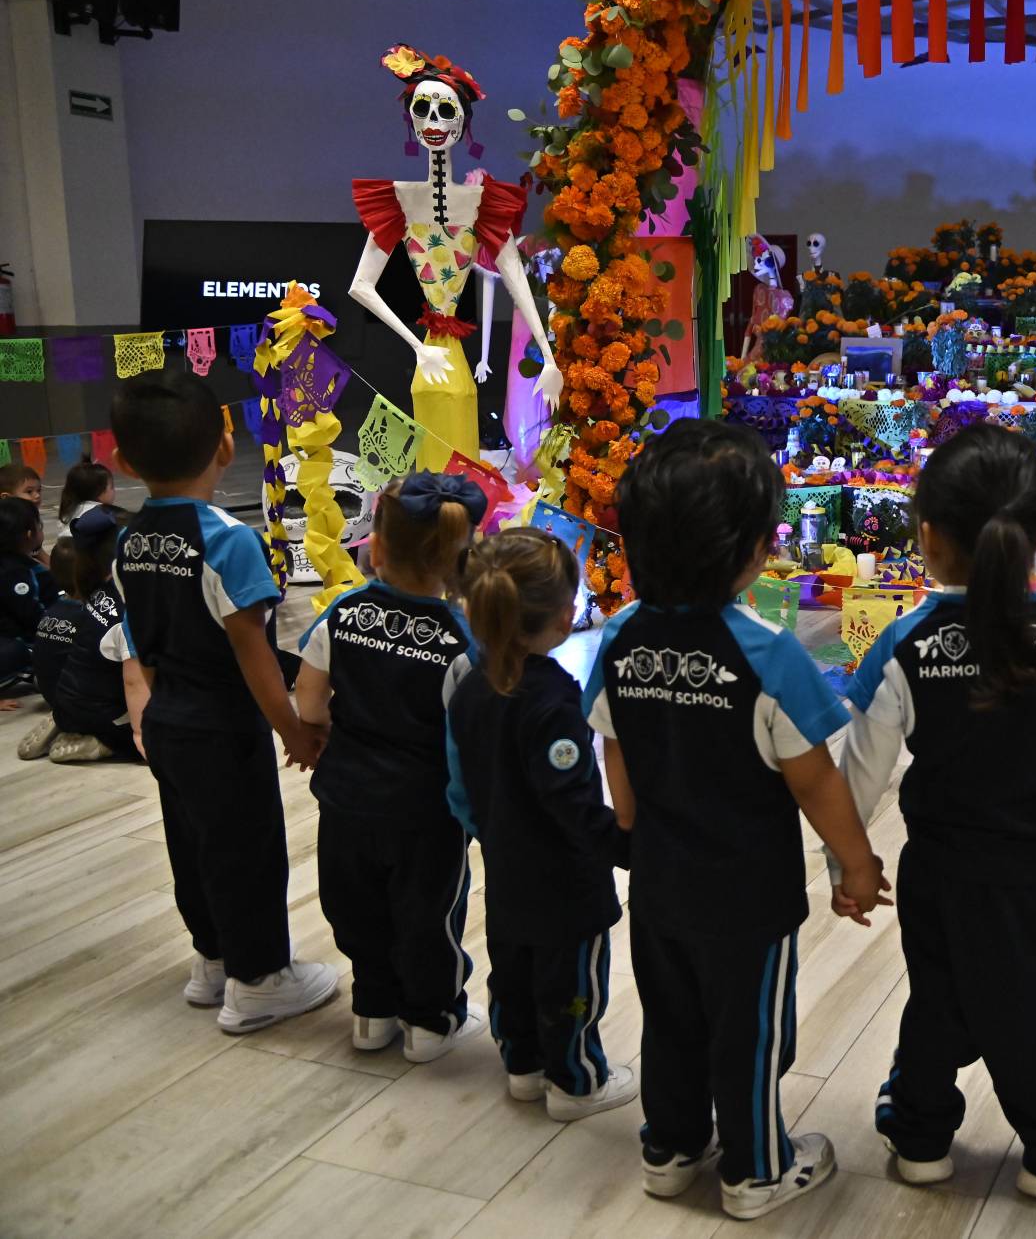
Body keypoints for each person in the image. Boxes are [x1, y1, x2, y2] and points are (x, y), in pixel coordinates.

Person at [584, 419, 880, 1219]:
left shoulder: (617, 638)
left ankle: (670, 1148)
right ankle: (756, 1169)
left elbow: (616, 752)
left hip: (659, 879)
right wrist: (857, 864)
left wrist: (634, 824)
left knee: (671, 1017)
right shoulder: (768, 653)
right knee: (749, 1032)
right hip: (748, 894)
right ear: (754, 549)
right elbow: (815, 780)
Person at [843, 424, 1036, 1201]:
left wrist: (848, 864)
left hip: (935, 871)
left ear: (925, 535)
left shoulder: (903, 641)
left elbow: (862, 770)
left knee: (938, 998)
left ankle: (922, 1137)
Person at [105, 368, 336, 1032]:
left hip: (167, 717)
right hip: (222, 727)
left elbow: (141, 644)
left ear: (122, 461)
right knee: (246, 849)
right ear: (225, 449)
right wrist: (293, 729)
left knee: (192, 842)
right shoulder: (229, 541)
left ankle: (212, 958)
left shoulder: (130, 540)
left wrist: (155, 708)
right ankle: (259, 977)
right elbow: (253, 653)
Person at [296, 474, 484, 1062]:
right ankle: (431, 1022)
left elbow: (307, 703)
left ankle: (372, 1011)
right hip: (426, 810)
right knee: (427, 913)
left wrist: (328, 733)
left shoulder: (342, 614)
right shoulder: (461, 641)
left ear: (374, 549)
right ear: (457, 566)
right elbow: (470, 734)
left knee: (357, 908)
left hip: (347, 799)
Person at [449, 527, 635, 1122]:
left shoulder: (469, 688)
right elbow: (573, 804)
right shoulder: (554, 700)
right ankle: (576, 1082)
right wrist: (627, 845)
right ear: (562, 618)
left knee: (514, 972)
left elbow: (462, 780)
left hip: (504, 867)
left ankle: (522, 1064)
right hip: (566, 882)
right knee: (570, 984)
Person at [22, 510, 137, 763]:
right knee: (172, 734)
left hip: (65, 701)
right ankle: (102, 742)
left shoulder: (94, 593)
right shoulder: (130, 605)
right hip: (104, 716)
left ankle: (68, 722)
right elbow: (134, 680)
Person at [21, 537, 83, 754]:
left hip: (49, 691)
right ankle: (98, 740)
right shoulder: (94, 616)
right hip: (80, 699)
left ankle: (63, 716)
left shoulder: (51, 610)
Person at [0, 495, 55, 699]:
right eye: (39, 525)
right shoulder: (15, 573)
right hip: (11, 643)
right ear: (30, 534)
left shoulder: (21, 563)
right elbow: (33, 618)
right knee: (23, 652)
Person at [56, 460, 115, 538]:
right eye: (112, 487)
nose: (114, 490)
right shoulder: (104, 515)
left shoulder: (67, 514)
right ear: (99, 492)